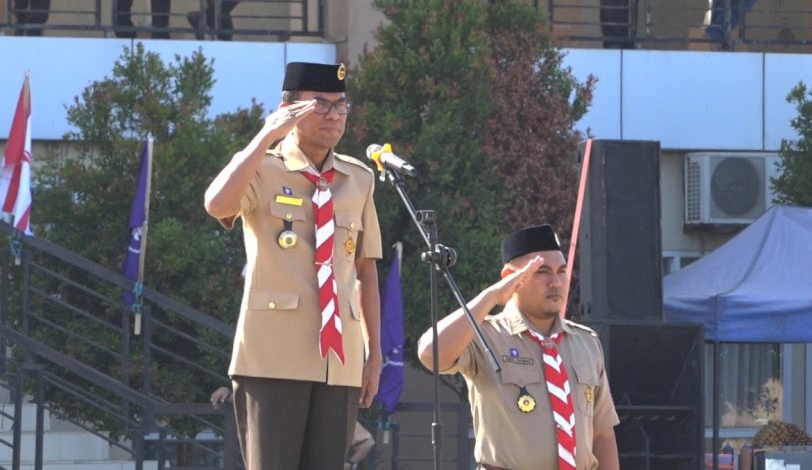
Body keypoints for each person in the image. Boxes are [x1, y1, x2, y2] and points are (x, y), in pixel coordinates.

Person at [203, 61, 383, 470]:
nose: (334, 115)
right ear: (288, 109)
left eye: (341, 105)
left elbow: (366, 270)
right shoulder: (261, 168)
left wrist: (374, 358)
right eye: (320, 104)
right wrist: (268, 133)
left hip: (339, 360)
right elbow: (216, 204)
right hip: (273, 356)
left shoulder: (358, 178)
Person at [417, 224, 620, 470]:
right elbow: (430, 353)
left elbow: (602, 434)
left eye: (562, 271)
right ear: (510, 278)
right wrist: (492, 296)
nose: (556, 282)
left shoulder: (586, 343)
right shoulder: (485, 335)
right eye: (542, 272)